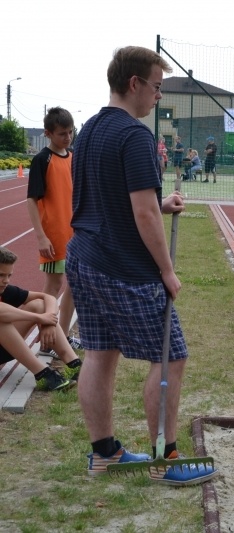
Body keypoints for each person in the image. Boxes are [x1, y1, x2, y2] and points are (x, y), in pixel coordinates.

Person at [68, 45, 217, 484]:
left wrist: (161, 203)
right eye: (155, 87)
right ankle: (164, 458)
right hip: (122, 266)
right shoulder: (134, 136)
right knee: (170, 357)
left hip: (85, 256)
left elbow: (115, 196)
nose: (157, 96)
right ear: (134, 83)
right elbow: (142, 213)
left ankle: (105, 453)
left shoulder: (89, 130)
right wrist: (167, 272)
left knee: (99, 353)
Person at [25, 106, 82, 351]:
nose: (67, 137)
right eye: (62, 133)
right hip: (53, 235)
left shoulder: (72, 156)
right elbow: (31, 200)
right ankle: (47, 340)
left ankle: (62, 336)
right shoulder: (42, 160)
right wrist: (41, 236)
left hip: (75, 233)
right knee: (53, 287)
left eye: (70, 132)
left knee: (75, 285)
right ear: (48, 133)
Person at [0, 246, 82, 391]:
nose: (6, 281)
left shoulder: (6, 289)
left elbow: (48, 297)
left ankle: (74, 365)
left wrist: (49, 322)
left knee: (38, 304)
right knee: (2, 322)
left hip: (4, 350)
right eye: (1, 275)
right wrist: (41, 318)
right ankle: (43, 375)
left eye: (9, 275)